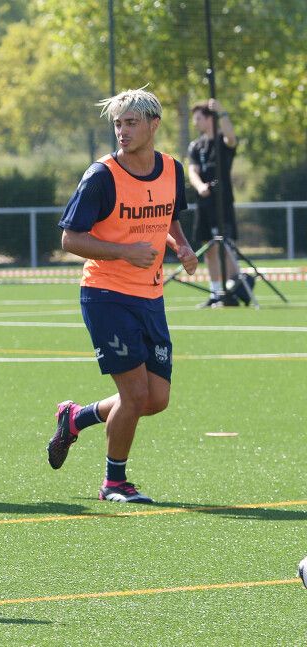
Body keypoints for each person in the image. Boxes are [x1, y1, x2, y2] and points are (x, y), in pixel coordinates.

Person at [46, 88, 197, 504]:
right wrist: (125, 252)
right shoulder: (101, 175)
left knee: (156, 399)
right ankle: (114, 482)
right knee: (134, 395)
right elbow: (70, 238)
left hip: (150, 296)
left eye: (131, 122)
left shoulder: (172, 169)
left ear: (154, 124)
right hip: (105, 294)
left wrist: (180, 246)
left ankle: (76, 417)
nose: (122, 131)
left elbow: (170, 216)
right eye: (117, 123)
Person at [187, 99, 241, 307]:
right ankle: (215, 291)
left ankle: (234, 288)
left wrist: (222, 111)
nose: (195, 122)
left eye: (199, 118)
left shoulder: (222, 142)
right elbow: (193, 170)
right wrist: (200, 186)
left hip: (223, 203)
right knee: (208, 248)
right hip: (204, 205)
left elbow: (231, 137)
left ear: (210, 119)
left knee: (226, 246)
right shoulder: (196, 146)